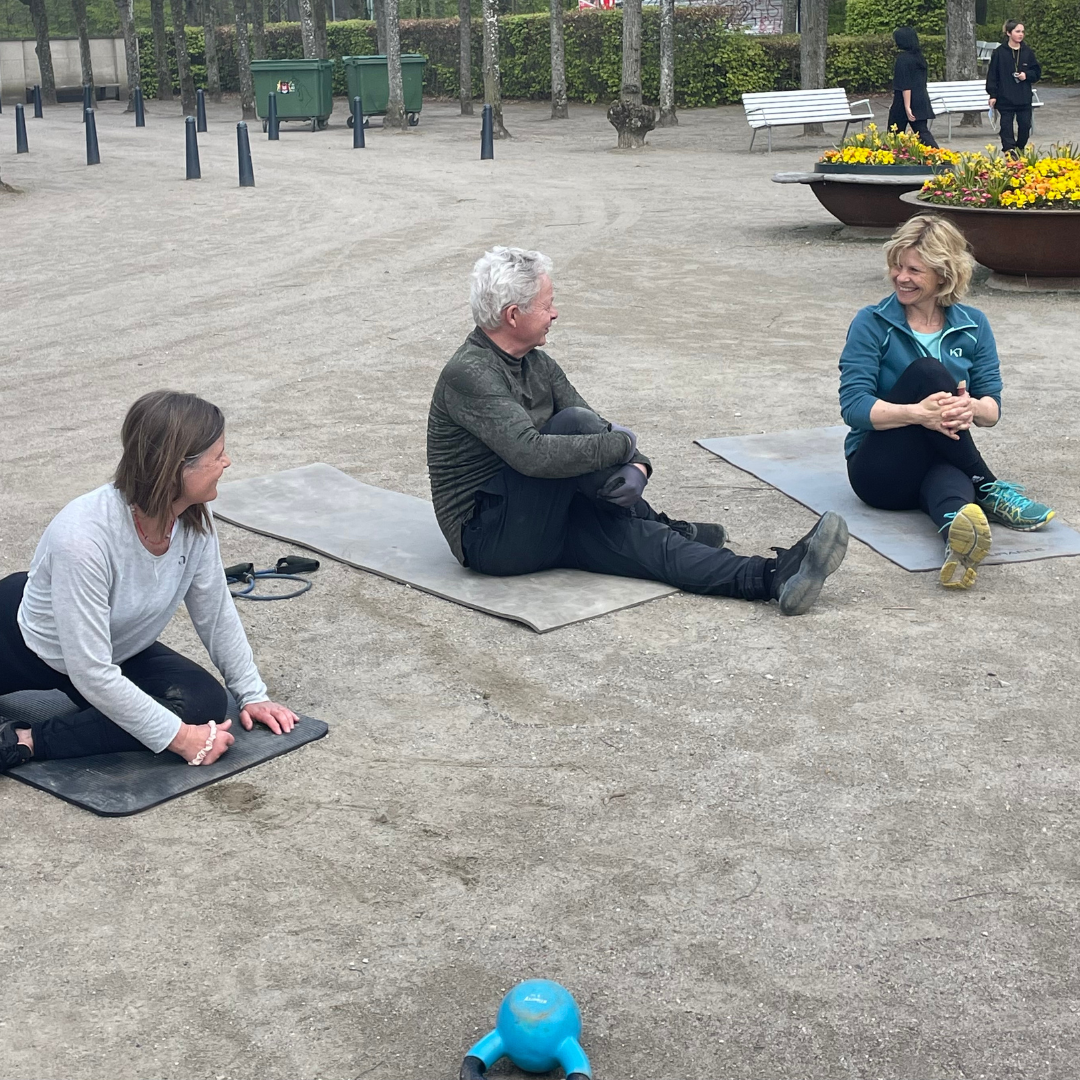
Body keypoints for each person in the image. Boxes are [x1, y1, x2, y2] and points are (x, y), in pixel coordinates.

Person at [427, 247, 849, 616]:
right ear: (513, 315)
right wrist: (627, 445)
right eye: (546, 305)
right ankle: (666, 524)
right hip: (491, 536)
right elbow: (534, 455)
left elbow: (597, 426)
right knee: (570, 427)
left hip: (547, 515)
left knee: (645, 544)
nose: (555, 313)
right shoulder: (470, 373)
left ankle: (772, 576)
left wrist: (639, 467)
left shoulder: (539, 364)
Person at [0, 391, 299, 774]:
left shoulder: (193, 519)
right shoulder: (82, 538)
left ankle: (28, 741)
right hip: (20, 642)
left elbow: (215, 612)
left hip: (112, 646)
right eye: (217, 454)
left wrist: (252, 694)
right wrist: (181, 739)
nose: (227, 462)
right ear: (177, 467)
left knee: (202, 702)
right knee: (170, 724)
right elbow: (90, 672)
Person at [839, 215, 1055, 590]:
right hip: (878, 471)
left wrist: (970, 407)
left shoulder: (973, 325)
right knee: (928, 373)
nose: (900, 277)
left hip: (943, 457)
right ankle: (988, 485)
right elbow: (853, 406)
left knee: (955, 494)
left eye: (914, 270)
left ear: (943, 274)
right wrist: (917, 413)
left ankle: (959, 544)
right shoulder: (871, 323)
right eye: (897, 265)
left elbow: (992, 409)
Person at [986, 20, 1041, 156]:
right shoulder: (999, 52)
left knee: (1025, 126)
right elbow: (992, 75)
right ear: (1008, 33)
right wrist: (992, 94)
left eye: (1022, 31)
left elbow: (1036, 72)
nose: (1021, 34)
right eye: (1017, 31)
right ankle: (1009, 150)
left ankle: (1019, 148)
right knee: (1006, 127)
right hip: (1005, 97)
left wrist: (1026, 75)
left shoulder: (1027, 52)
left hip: (1023, 97)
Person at [888, 27, 940, 149]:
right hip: (920, 98)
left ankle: (893, 157)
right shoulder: (919, 57)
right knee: (922, 131)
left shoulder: (903, 59)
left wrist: (907, 106)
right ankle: (939, 155)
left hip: (905, 101)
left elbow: (906, 85)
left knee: (894, 133)